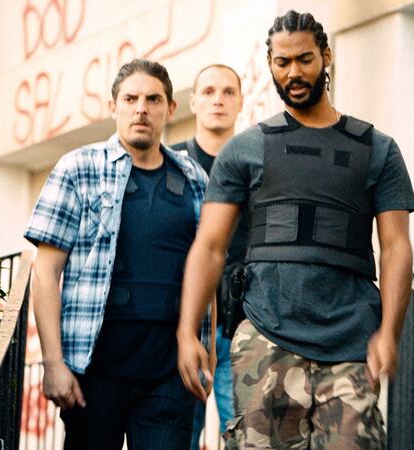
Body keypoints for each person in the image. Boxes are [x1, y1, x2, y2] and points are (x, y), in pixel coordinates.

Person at [176, 10, 414, 450]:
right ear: (270, 63)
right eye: (282, 62)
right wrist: (188, 331)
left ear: (326, 56)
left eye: (305, 59)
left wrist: (390, 332)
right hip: (265, 339)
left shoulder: (377, 150)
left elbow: (397, 246)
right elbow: (209, 247)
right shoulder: (246, 148)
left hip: (350, 341)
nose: (294, 72)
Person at [25, 58, 208, 450]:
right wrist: (54, 365)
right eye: (131, 98)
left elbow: (207, 262)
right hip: (93, 370)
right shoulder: (78, 168)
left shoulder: (194, 178)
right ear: (114, 107)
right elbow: (44, 273)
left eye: (153, 99)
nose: (141, 108)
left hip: (169, 370)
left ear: (171, 109)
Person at [170, 64, 245, 450]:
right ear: (192, 102)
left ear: (241, 102)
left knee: (247, 437)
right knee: (179, 433)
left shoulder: (255, 163)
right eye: (210, 91)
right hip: (183, 326)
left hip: (242, 327)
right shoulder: (170, 162)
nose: (219, 99)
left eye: (229, 91)